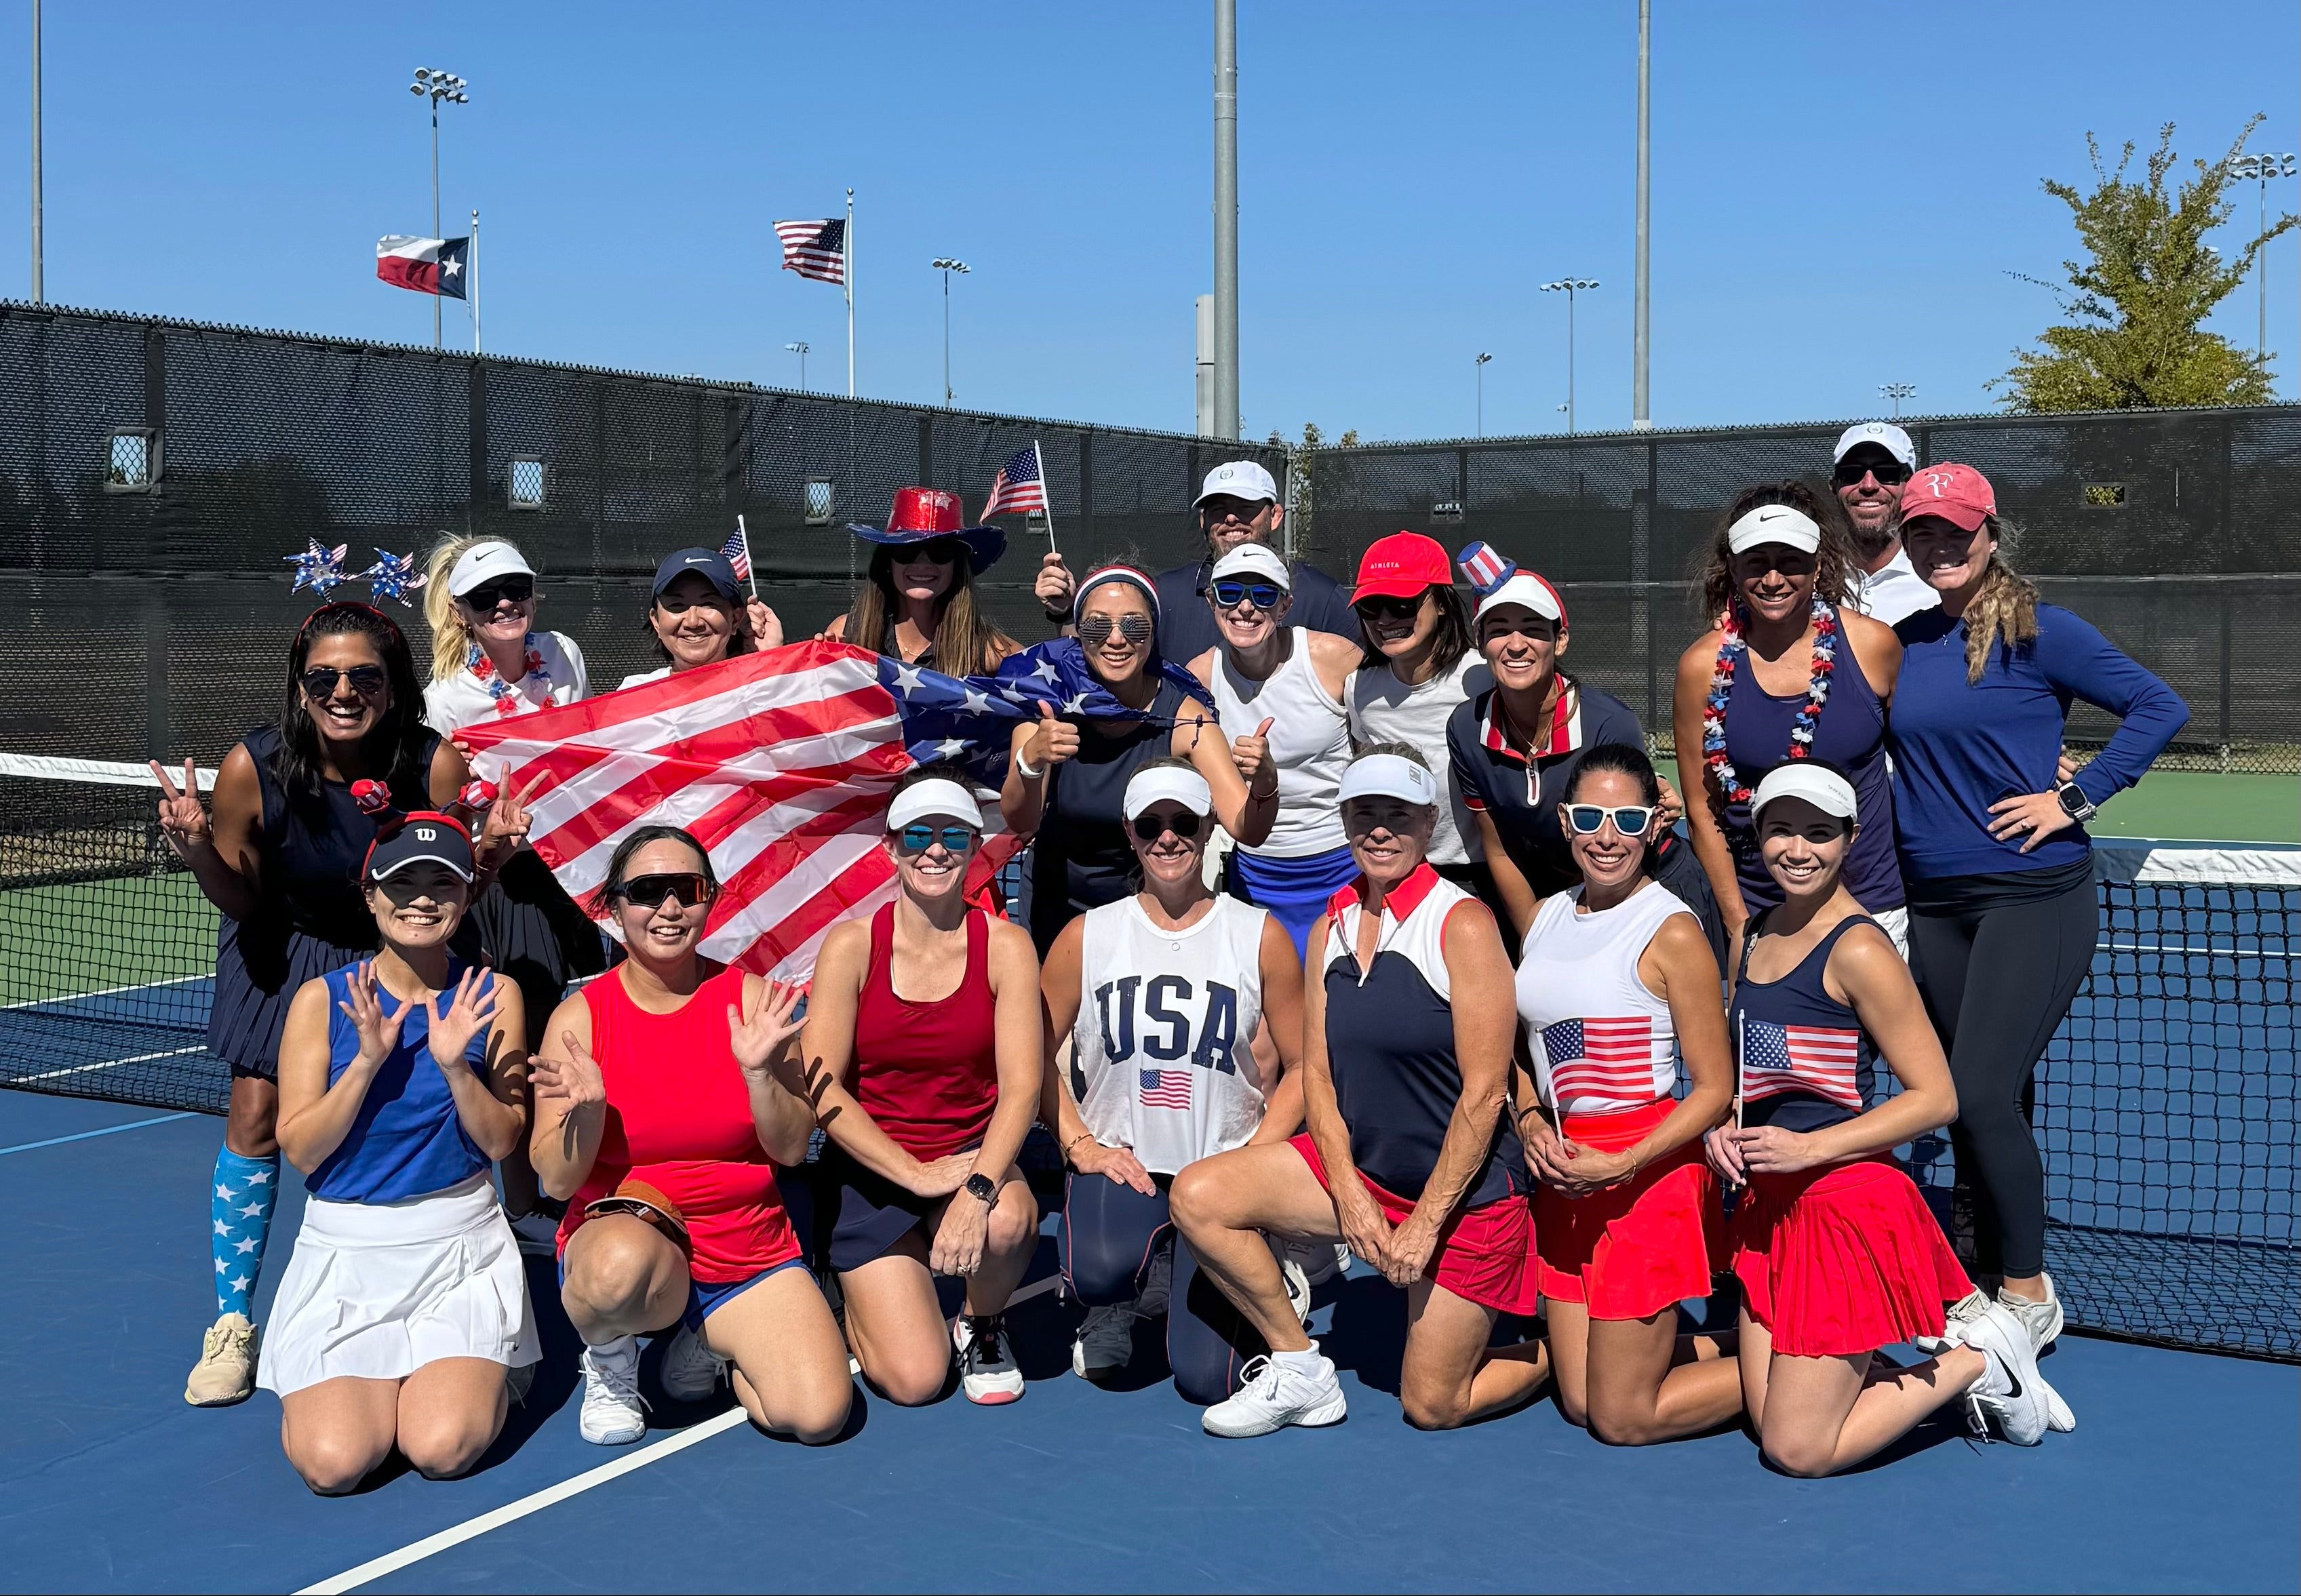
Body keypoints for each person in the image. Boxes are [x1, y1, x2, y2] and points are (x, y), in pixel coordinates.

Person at [155, 600, 509, 1408]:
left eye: (364, 676)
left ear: (394, 684)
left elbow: (449, 882)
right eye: (324, 676)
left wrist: (492, 858)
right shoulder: (255, 766)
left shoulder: (434, 762)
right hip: (287, 950)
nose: (344, 691)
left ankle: (463, 1298)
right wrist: (198, 848)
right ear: (300, 682)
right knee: (255, 1116)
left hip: (407, 947)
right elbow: (244, 901)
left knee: (444, 1108)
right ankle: (235, 1322)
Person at [1889, 462, 2187, 1348]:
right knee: (1987, 1092)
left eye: (1954, 528)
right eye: (1922, 532)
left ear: (1988, 532)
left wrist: (2078, 794)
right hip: (1934, 903)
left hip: (2033, 895)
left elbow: (2155, 706)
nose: (1939, 545)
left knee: (1974, 1091)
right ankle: (1981, 1267)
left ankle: (2028, 1293)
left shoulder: (2040, 631)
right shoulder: (1898, 641)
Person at [1171, 748, 1548, 1437]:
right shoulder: (1328, 927)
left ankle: (1565, 1349)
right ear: (1344, 822)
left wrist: (1425, 1223)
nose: (1380, 829)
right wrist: (1350, 1196)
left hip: (1466, 1197)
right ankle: (1298, 1366)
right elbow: (1316, 1075)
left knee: (1434, 1404)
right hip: (1368, 1177)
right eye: (1364, 813)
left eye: (1397, 814)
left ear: (1430, 822)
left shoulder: (1463, 923)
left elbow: (1486, 1090)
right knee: (1198, 1195)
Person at [1706, 764, 2067, 1475]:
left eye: (1818, 833)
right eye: (1782, 829)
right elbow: (1744, 1069)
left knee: (1795, 1447)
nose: (1798, 849)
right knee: (1761, 1414)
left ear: (1849, 838)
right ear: (1760, 835)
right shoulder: (1749, 935)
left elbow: (1936, 1098)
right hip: (1767, 1207)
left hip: (1844, 1207)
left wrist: (1808, 1147)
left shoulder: (1861, 949)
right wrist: (1724, 1122)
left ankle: (1980, 1360)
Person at [532, 826, 852, 1447]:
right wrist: (589, 1113)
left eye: (689, 889)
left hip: (745, 1241)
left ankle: (706, 1337)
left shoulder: (753, 1001)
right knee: (616, 1272)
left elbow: (789, 1150)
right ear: (614, 905)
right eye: (649, 891)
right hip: (629, 1238)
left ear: (711, 898)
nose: (670, 908)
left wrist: (760, 1074)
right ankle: (611, 1357)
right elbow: (555, 1179)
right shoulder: (580, 1019)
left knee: (817, 1417)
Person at [260, 812, 538, 1492]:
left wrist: (455, 1066)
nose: (421, 898)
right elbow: (300, 1148)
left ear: (467, 895)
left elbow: (503, 1140)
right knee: (336, 1462)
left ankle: (494, 1361)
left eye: (441, 882)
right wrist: (365, 1064)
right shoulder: (320, 1000)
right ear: (371, 894)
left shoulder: (494, 994)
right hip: (345, 1257)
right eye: (402, 881)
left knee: (441, 1447)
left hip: (460, 1253)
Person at [1040, 760, 1309, 1392]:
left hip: (1219, 1172)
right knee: (1099, 1268)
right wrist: (1081, 1144)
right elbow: (1029, 1058)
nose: (1168, 838)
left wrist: (1259, 1160)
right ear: (1130, 834)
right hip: (1122, 1161)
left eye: (1184, 822)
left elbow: (1303, 1066)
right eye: (1151, 824)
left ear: (1210, 826)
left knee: (1206, 1380)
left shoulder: (1257, 934)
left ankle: (1262, 1261)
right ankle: (1115, 1301)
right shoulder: (1087, 935)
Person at [1512, 742, 1741, 1446]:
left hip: (1647, 1176)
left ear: (1652, 825)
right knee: (1580, 1400)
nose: (1606, 836)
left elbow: (1714, 1089)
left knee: (1621, 1418)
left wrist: (1625, 1162)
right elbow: (1524, 1053)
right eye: (1589, 816)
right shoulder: (1546, 916)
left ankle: (1806, 1356)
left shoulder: (1672, 929)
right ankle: (1734, 1342)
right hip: (1565, 1174)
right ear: (1565, 821)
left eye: (1626, 818)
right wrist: (1527, 1120)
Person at [793, 772, 1046, 1406]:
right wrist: (909, 1171)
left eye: (952, 836)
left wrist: (979, 1189)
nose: (935, 850)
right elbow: (823, 1088)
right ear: (891, 848)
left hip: (966, 1160)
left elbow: (1022, 1088)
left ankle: (981, 1323)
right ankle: (847, 1291)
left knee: (1010, 1220)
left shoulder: (1006, 946)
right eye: (918, 837)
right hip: (873, 1170)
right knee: (916, 1382)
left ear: (972, 846)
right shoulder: (851, 944)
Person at [421, 534, 606, 1251]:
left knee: (590, 1026)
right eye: (486, 598)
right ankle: (525, 1202)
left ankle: (583, 1176)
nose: (505, 605)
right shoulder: (443, 696)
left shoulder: (562, 655)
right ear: (463, 613)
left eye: (516, 590)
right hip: (505, 881)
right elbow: (446, 806)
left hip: (575, 870)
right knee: (519, 1037)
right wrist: (487, 829)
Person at [1446, 544, 1717, 958]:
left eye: (1533, 629)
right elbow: (1498, 849)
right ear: (1481, 643)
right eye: (1499, 629)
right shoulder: (1465, 728)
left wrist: (1592, 947)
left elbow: (1622, 848)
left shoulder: (1609, 724)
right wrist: (1537, 940)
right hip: (1551, 904)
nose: (1515, 644)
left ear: (1560, 641)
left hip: (1644, 885)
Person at [1672, 487, 1907, 955]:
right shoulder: (1701, 667)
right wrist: (1739, 920)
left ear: (1817, 568)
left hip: (1872, 908)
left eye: (1791, 561)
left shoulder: (1873, 646)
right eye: (1756, 562)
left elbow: (1928, 751)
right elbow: (1702, 810)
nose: (1774, 578)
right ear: (1734, 570)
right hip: (1760, 913)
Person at [1002, 562, 1279, 955]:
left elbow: (1246, 827)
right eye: (1098, 627)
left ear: (1154, 634)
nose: (1117, 640)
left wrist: (1266, 782)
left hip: (1150, 913)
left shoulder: (1184, 717)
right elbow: (1021, 822)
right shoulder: (1048, 701)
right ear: (1078, 633)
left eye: (1134, 626)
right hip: (1058, 911)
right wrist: (1032, 761)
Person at [1185, 542, 1362, 954]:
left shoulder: (1333, 658)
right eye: (1230, 592)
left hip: (1342, 863)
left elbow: (1374, 747)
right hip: (1254, 871)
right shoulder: (1200, 679)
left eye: (1263, 595)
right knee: (1265, 1014)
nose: (1245, 607)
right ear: (1212, 602)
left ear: (1284, 607)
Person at [1031, 460, 1358, 662]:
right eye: (1218, 509)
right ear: (1203, 521)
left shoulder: (1322, 597)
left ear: (1274, 516)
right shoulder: (1165, 593)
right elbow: (1100, 653)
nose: (1231, 518)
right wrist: (1065, 609)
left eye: (1245, 507)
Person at [1344, 534, 1492, 896]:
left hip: (1484, 873)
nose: (1385, 619)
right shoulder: (1358, 688)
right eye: (1371, 606)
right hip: (1398, 875)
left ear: (1441, 604)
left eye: (1402, 604)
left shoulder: (1482, 678)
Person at [822, 487, 1022, 677]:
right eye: (906, 550)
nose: (922, 563)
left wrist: (1054, 613)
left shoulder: (987, 649)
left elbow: (1047, 683)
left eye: (940, 551)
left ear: (957, 564)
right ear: (888, 562)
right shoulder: (847, 635)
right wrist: (822, 665)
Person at [617, 547, 785, 690]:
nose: (693, 622)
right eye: (677, 605)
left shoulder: (764, 684)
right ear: (656, 622)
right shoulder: (633, 693)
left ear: (735, 619)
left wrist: (773, 663)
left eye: (708, 604)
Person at [1829, 422, 1940, 628]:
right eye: (1852, 473)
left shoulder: (1938, 581)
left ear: (1911, 485)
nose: (1869, 485)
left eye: (1887, 473)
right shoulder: (1812, 578)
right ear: (1834, 486)